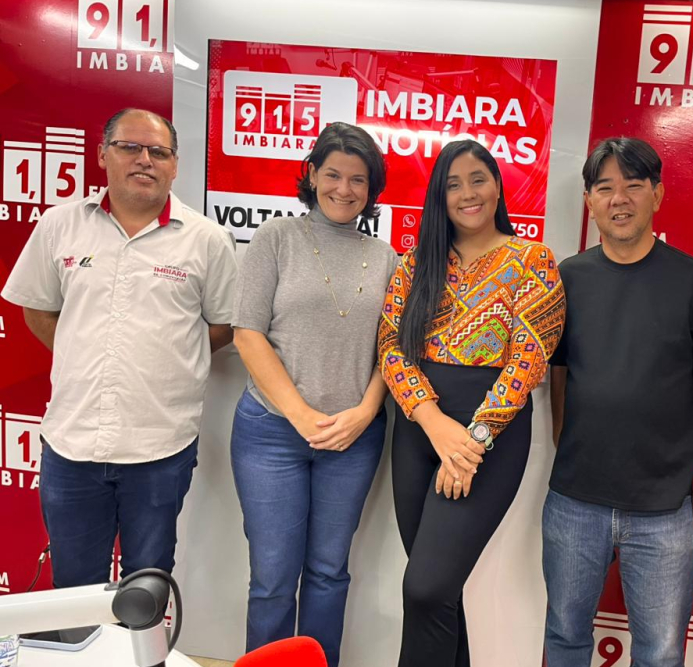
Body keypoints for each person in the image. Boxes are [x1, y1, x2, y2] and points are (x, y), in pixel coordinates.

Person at [1, 108, 238, 587]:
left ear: (175, 165)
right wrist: (87, 350)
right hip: (72, 444)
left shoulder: (208, 240)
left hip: (160, 447)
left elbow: (223, 326)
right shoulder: (60, 226)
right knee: (74, 589)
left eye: (159, 152)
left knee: (146, 586)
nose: (145, 160)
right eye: (130, 147)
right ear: (102, 155)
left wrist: (166, 358)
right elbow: (38, 310)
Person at [543, 137, 693, 667]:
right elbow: (558, 372)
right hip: (574, 501)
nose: (619, 199)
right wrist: (564, 441)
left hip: (665, 508)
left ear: (657, 194)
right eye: (605, 188)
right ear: (589, 201)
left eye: (633, 186)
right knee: (564, 635)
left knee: (660, 652)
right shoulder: (568, 279)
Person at [378, 139, 565, 667]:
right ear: (440, 196)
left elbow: (528, 361)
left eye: (478, 179)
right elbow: (390, 346)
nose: (467, 194)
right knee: (437, 590)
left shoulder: (532, 260)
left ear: (498, 186)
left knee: (425, 587)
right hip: (419, 433)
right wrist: (433, 422)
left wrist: (471, 443)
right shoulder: (417, 263)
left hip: (490, 440)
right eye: (453, 184)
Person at [229, 122, 398, 666]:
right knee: (273, 577)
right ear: (312, 175)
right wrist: (300, 414)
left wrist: (366, 411)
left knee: (329, 573)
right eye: (333, 175)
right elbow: (247, 334)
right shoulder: (276, 238)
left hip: (353, 438)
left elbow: (392, 351)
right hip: (272, 434)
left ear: (372, 188)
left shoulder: (387, 257)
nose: (344, 189)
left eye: (358, 179)